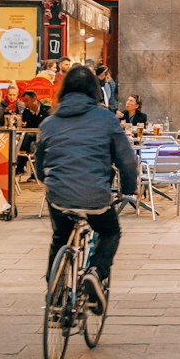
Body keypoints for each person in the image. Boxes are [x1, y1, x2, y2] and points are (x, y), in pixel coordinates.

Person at [34, 64, 138, 313]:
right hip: (95, 195)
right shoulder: (106, 120)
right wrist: (128, 189)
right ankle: (95, 271)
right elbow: (126, 160)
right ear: (94, 91)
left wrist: (47, 180)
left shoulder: (49, 123)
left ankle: (56, 299)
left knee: (60, 238)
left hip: (58, 195)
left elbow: (40, 165)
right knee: (110, 231)